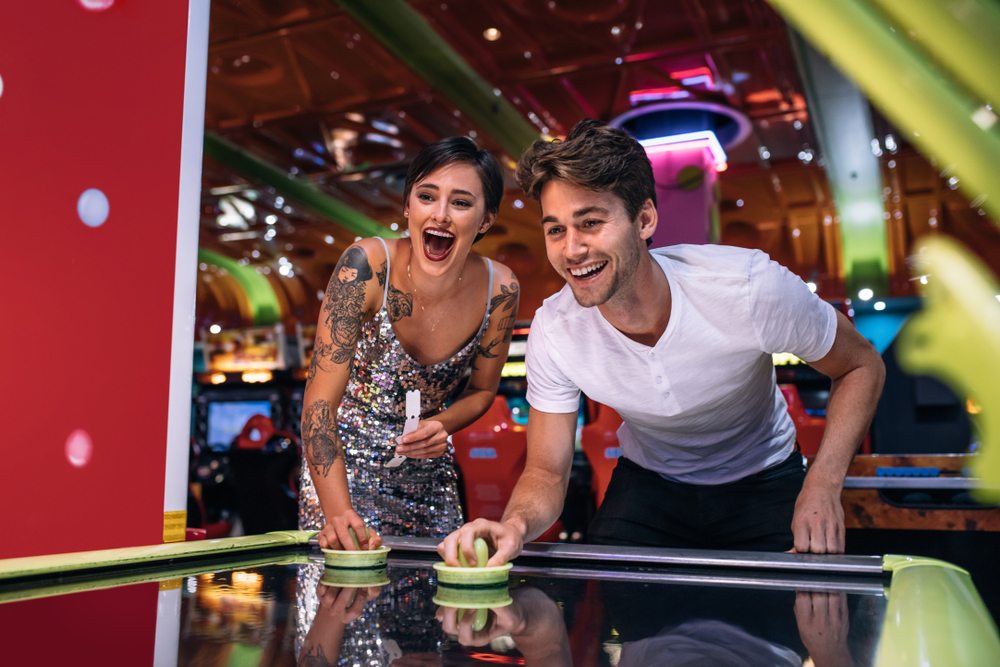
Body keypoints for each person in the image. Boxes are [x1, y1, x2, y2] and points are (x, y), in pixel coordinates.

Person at [439, 119, 885, 565]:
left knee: (797, 622)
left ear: (645, 219)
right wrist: (513, 525)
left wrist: (824, 484)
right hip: (649, 484)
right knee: (617, 617)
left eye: (590, 222)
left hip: (764, 476)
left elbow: (861, 366)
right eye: (556, 230)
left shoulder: (748, 287)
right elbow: (545, 471)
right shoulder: (554, 329)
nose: (571, 250)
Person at [299, 136, 520, 551]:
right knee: (345, 605)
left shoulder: (501, 288)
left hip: (430, 482)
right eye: (426, 196)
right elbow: (317, 407)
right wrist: (337, 512)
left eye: (461, 202)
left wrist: (442, 425)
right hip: (341, 480)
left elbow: (482, 391)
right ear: (407, 207)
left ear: (486, 220)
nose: (441, 215)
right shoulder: (365, 266)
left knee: (436, 609)